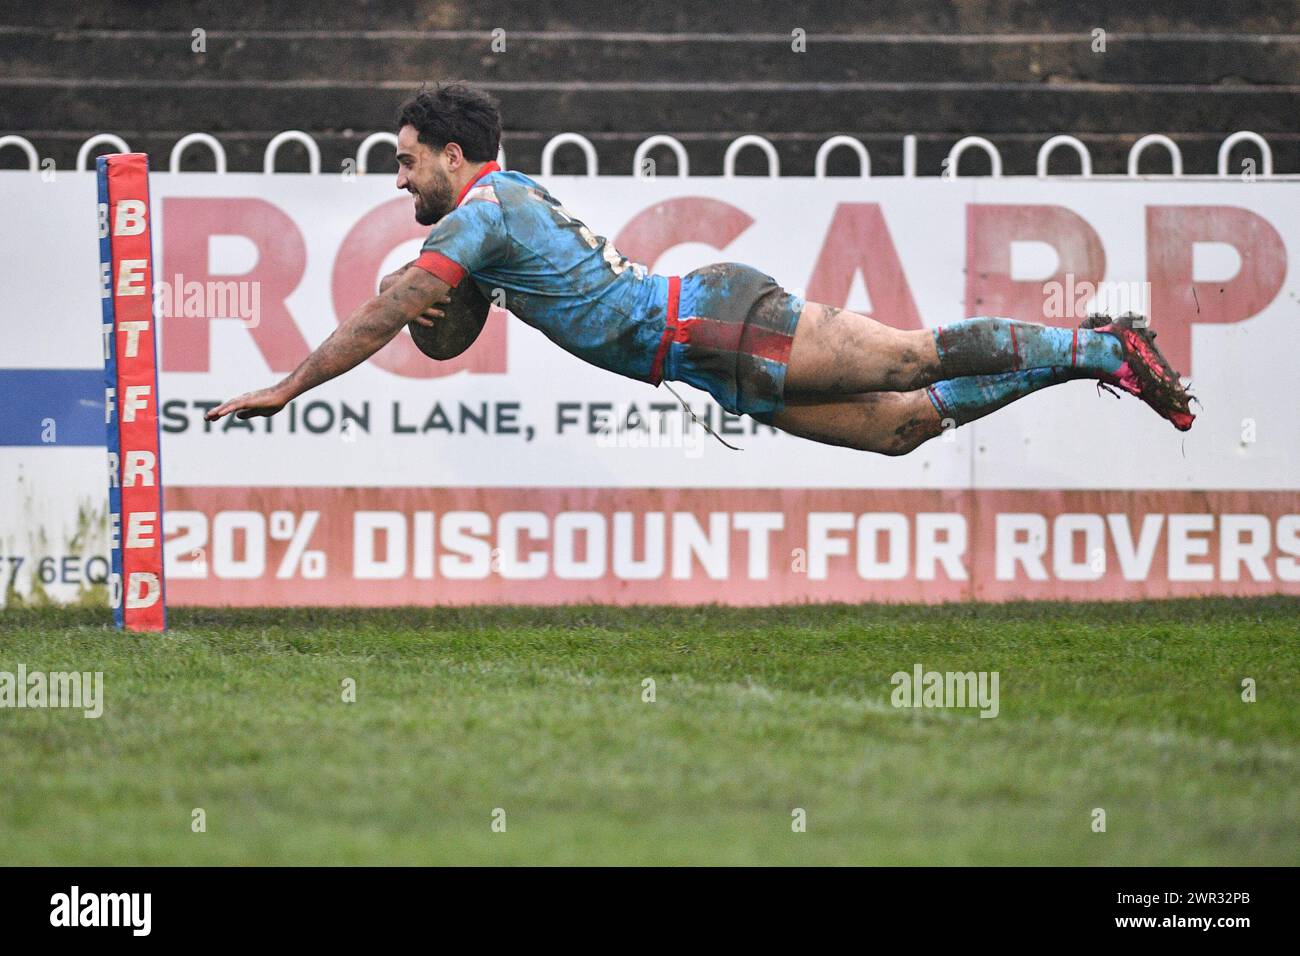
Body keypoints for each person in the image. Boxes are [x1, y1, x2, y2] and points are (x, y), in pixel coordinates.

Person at [206, 82, 1195, 450]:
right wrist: (447, 316)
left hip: (710, 318)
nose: (396, 176)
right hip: (697, 353)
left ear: (453, 157)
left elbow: (388, 316)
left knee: (908, 358)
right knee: (902, 428)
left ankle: (1101, 347)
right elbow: (445, 322)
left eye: (406, 158)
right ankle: (1090, 356)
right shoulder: (491, 214)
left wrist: (286, 386)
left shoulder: (477, 214)